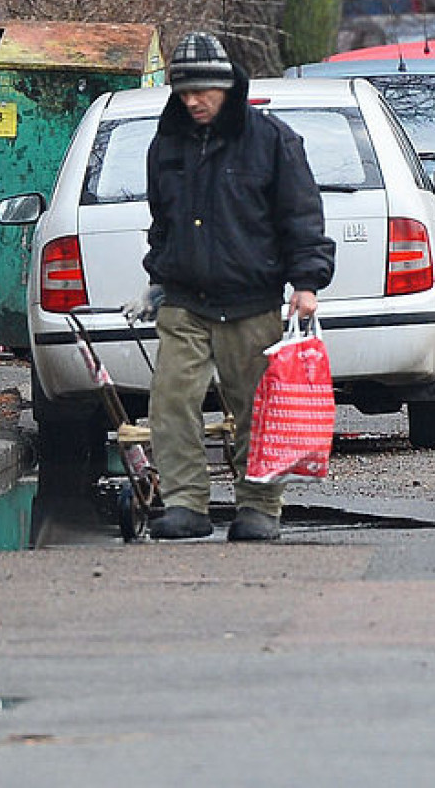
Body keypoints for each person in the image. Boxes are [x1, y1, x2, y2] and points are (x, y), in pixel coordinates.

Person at [123, 31, 335, 541]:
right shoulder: (166, 143)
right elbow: (163, 221)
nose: (193, 101)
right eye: (184, 91)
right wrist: (157, 283)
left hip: (253, 301)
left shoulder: (271, 140)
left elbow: (301, 216)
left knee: (254, 408)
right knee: (172, 402)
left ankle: (259, 506)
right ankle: (186, 504)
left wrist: (306, 283)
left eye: (203, 92)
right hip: (185, 301)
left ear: (226, 88)